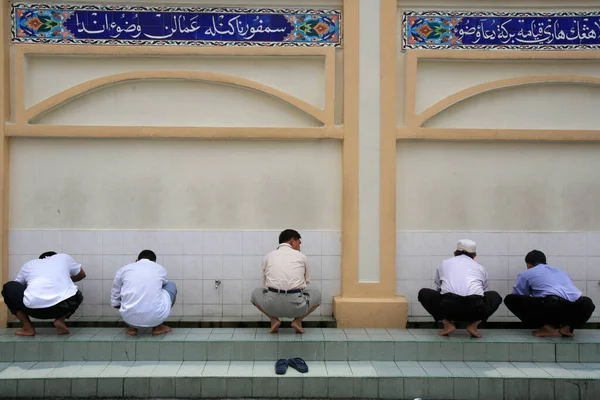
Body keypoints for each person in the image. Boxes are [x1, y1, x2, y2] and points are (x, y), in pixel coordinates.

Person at [418, 239, 502, 338]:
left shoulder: (444, 263)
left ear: (454, 253)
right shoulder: (480, 267)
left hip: (448, 308)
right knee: (495, 296)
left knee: (423, 293)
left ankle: (447, 324)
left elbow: (439, 287)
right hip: (475, 309)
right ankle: (473, 326)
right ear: (474, 256)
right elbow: (483, 290)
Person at [504, 250, 595, 337]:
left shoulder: (526, 273)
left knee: (511, 299)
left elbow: (519, 296)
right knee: (587, 302)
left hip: (553, 305)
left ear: (528, 265)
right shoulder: (562, 272)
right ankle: (567, 327)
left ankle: (547, 328)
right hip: (579, 306)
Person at [251, 229, 321, 334]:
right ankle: (297, 321)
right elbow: (306, 282)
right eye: (299, 243)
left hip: (272, 305)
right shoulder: (302, 257)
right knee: (317, 295)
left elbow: (265, 284)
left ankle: (274, 320)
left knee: (255, 293)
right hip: (296, 306)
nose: (300, 246)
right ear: (292, 241)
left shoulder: (268, 257)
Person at [1, 252, 86, 336]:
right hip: (62, 308)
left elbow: (17, 286)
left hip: (33, 309)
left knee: (9, 287)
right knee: (75, 293)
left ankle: (28, 327)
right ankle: (60, 320)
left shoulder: (29, 265)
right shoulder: (64, 257)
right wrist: (65, 279)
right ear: (55, 256)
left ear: (40, 259)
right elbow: (82, 275)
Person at [111, 250, 177, 336]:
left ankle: (132, 328)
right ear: (154, 262)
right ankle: (158, 326)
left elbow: (115, 292)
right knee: (170, 285)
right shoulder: (159, 268)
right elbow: (163, 284)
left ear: (136, 260)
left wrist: (116, 303)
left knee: (126, 290)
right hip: (156, 319)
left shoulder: (124, 269)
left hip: (129, 319)